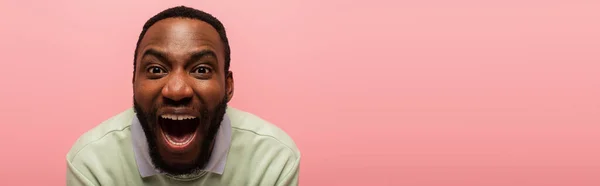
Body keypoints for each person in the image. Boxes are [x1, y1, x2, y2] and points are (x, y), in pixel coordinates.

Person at [66, 6, 300, 186]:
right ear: (134, 82)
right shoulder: (92, 162)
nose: (177, 91)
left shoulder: (272, 159)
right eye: (156, 70)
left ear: (228, 86)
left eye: (201, 70)